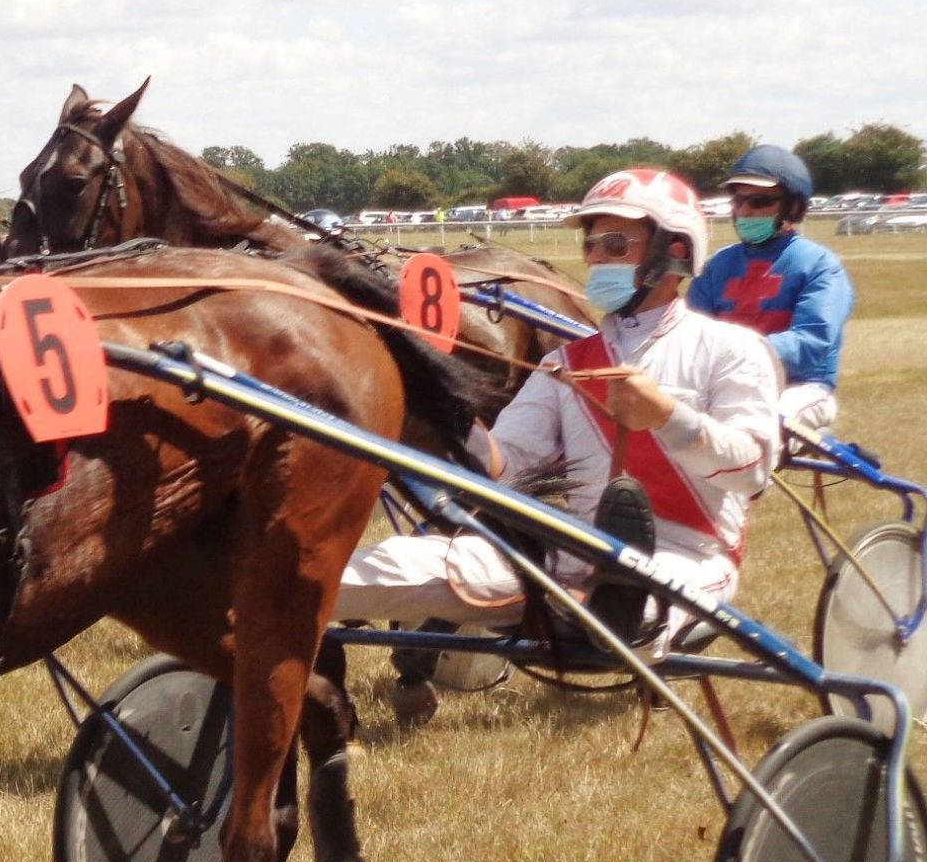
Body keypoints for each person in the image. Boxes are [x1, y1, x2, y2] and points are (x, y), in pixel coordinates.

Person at [334, 168, 783, 724]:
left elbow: (754, 470)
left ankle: (605, 613)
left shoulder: (731, 351)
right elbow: (500, 465)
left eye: (616, 243)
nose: (597, 258)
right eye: (591, 244)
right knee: (368, 570)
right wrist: (432, 398)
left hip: (685, 556)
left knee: (625, 617)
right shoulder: (566, 363)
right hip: (564, 553)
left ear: (673, 252)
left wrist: (668, 417)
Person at [688, 143, 852, 433]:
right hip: (728, 385)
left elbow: (812, 341)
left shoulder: (820, 265)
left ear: (794, 207)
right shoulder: (716, 267)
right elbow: (690, 334)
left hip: (800, 388)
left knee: (760, 425)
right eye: (739, 200)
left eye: (760, 201)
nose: (745, 210)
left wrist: (736, 352)